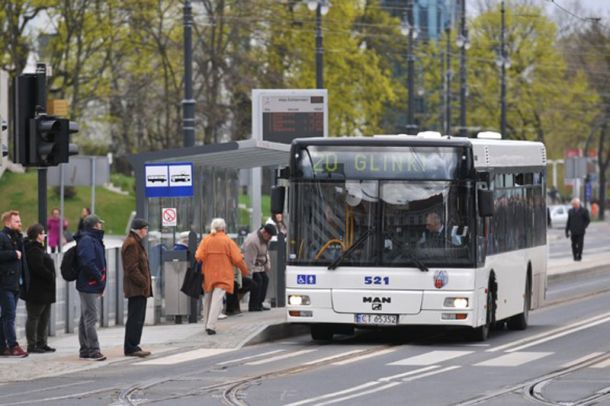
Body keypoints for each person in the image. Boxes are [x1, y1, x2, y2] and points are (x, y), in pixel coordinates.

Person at [195, 218, 248, 335]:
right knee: (217, 300)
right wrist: (244, 271)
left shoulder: (206, 240)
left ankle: (206, 324)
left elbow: (198, 256)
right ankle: (211, 326)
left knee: (207, 300)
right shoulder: (227, 241)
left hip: (208, 275)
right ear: (223, 228)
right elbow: (238, 259)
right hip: (223, 275)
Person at [75, 214, 107, 361]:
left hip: (91, 283)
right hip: (89, 283)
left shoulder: (93, 239)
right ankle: (93, 350)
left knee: (85, 317)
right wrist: (99, 279)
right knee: (91, 318)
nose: (101, 226)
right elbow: (88, 262)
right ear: (95, 226)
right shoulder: (88, 240)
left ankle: (85, 349)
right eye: (99, 223)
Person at [121, 218, 152, 358]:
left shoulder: (135, 242)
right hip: (136, 288)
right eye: (146, 229)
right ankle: (131, 347)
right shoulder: (132, 244)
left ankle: (134, 345)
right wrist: (144, 282)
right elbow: (131, 268)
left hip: (139, 288)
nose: (147, 231)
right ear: (140, 229)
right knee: (135, 318)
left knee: (138, 318)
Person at [23, 224, 56, 354]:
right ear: (37, 235)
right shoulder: (33, 250)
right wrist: (50, 275)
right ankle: (32, 344)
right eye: (42, 233)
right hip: (37, 291)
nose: (44, 235)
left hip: (45, 290)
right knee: (34, 317)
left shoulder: (40, 248)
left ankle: (42, 343)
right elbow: (38, 268)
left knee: (44, 318)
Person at [0, 210, 29, 357]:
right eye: (16, 221)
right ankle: (13, 345)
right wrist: (13, 254)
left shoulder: (18, 238)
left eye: (19, 220)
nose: (20, 223)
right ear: (7, 222)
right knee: (9, 315)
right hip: (5, 283)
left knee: (6, 316)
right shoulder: (2, 237)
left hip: (16, 283)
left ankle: (2, 346)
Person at [242, 223, 277, 312]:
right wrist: (248, 274)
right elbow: (249, 260)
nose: (270, 239)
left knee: (265, 279)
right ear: (264, 232)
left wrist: (267, 266)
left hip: (259, 265)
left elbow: (265, 254)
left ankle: (259, 303)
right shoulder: (253, 241)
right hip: (251, 266)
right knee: (258, 281)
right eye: (269, 236)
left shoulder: (265, 239)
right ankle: (253, 306)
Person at [565, 197, 590, 261]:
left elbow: (588, 220)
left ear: (578, 204)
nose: (573, 205)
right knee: (573, 244)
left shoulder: (584, 210)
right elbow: (568, 222)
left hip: (581, 231)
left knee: (580, 244)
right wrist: (566, 231)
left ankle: (579, 255)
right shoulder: (570, 211)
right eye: (572, 204)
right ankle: (575, 256)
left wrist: (584, 226)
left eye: (574, 204)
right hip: (573, 231)